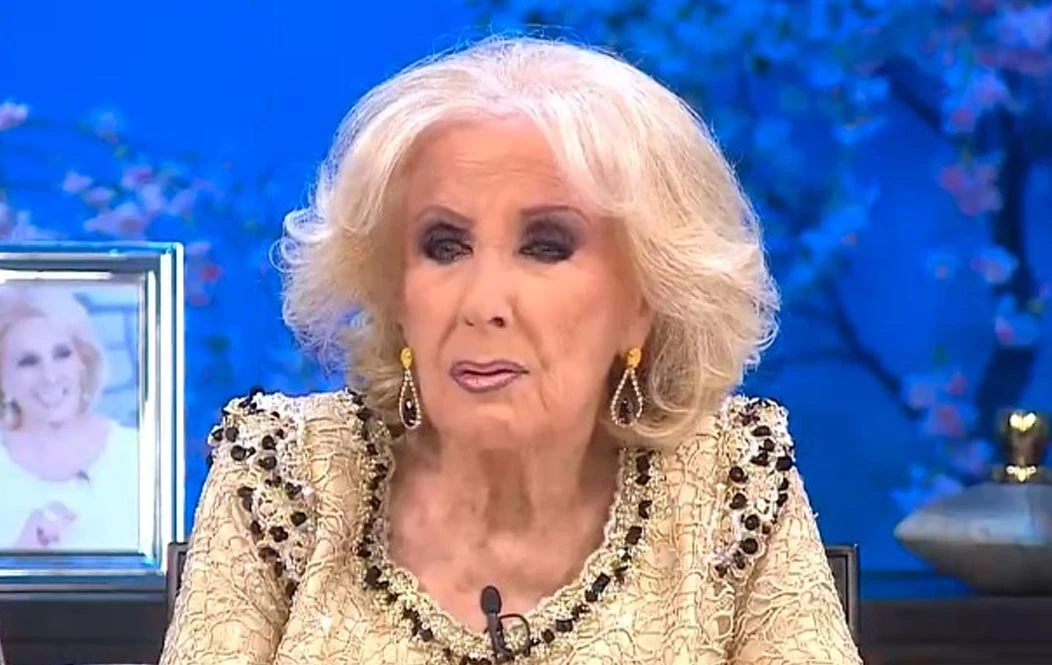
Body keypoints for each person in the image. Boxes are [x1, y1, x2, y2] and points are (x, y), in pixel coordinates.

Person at [161, 36, 861, 665]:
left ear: (643, 301)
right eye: (444, 246)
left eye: (545, 246)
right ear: (396, 292)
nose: (482, 303)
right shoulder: (286, 474)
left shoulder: (729, 481)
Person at [0, 286, 139, 551]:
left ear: (83, 362)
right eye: (28, 362)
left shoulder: (138, 455)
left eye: (62, 354)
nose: (50, 376)